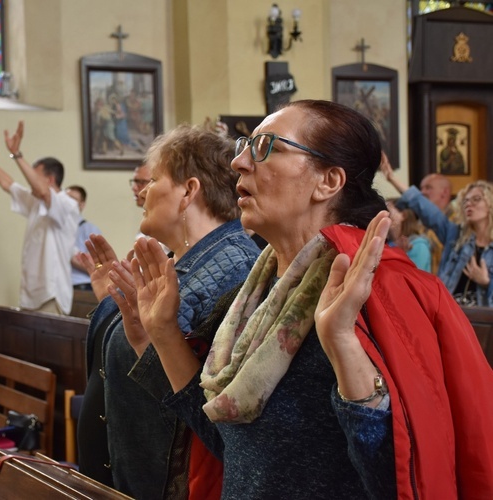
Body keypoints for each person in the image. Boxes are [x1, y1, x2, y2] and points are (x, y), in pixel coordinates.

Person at [125, 100, 493, 498]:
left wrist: (343, 345)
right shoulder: (255, 292)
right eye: (245, 145)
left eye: (267, 146)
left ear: (328, 182)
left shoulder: (381, 292)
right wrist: (162, 332)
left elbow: (407, 481)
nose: (240, 163)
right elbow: (232, 448)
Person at [77, 125, 261, 499]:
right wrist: (111, 302)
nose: (142, 192)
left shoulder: (234, 269)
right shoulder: (181, 263)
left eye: (154, 179)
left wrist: (147, 335)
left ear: (188, 191)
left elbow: (206, 409)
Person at [0, 120, 80, 315]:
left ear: (50, 179)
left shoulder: (66, 204)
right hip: (30, 295)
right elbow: (7, 183)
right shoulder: (35, 202)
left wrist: (16, 155)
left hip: (52, 294)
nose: (29, 182)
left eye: (33, 175)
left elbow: (44, 192)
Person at [382, 164, 493, 306]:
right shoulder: (455, 235)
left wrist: (486, 282)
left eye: (476, 199)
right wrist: (391, 178)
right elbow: (424, 208)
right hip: (453, 313)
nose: (469, 204)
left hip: (484, 321)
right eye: (466, 200)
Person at [66, 185, 102, 292]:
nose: (67, 203)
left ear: (82, 205)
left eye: (72, 200)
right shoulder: (56, 228)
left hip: (80, 286)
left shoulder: (90, 230)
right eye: (65, 199)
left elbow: (99, 266)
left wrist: (72, 258)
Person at [386, 199, 432, 272]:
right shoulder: (389, 242)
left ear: (403, 215)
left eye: (389, 212)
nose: (384, 215)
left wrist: (400, 254)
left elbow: (414, 278)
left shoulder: (418, 246)